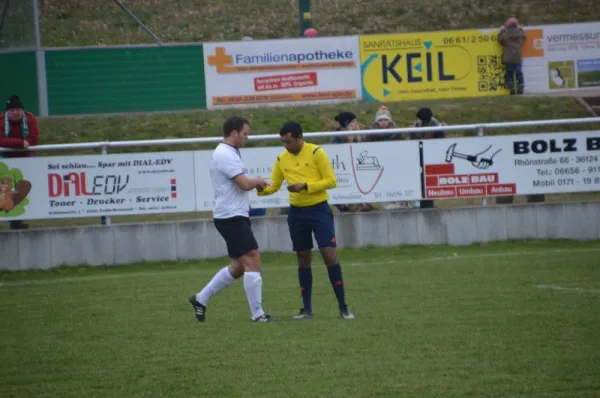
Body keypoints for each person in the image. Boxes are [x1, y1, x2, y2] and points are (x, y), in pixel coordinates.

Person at [258, 121, 355, 320]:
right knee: (303, 259)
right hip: (297, 214)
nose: (286, 145)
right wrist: (261, 189)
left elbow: (331, 181)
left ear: (299, 138)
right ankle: (307, 309)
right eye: (283, 142)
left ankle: (343, 307)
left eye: (289, 141)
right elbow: (274, 185)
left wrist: (306, 186)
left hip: (319, 210)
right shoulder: (281, 159)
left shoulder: (316, 153)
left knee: (329, 255)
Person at [189, 116, 272, 323]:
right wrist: (259, 181)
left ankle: (201, 298)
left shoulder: (230, 152)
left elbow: (239, 186)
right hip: (230, 216)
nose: (247, 137)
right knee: (253, 258)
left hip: (234, 214)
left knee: (238, 267)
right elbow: (243, 184)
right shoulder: (225, 154)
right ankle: (258, 314)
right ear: (233, 133)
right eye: (245, 133)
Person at [0, 95, 39, 230]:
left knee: (21, 191)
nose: (15, 112)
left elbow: (33, 138)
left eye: (18, 109)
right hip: (5, 161)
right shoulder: (0, 121)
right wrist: (21, 143)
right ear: (7, 112)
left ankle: (17, 221)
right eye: (12, 110)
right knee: (5, 191)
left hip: (26, 160)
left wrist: (11, 143)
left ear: (22, 110)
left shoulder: (30, 119)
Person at [329, 111, 374, 212]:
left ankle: (359, 202)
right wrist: (349, 141)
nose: (356, 124)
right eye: (353, 122)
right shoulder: (337, 137)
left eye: (355, 121)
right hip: (341, 170)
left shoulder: (358, 135)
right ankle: (346, 205)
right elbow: (336, 155)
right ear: (346, 124)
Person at [367, 106, 409, 210]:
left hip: (395, 162)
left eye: (385, 120)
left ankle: (402, 202)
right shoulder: (370, 134)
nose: (383, 122)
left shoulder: (397, 133)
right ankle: (386, 202)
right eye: (381, 120)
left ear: (389, 121)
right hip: (379, 164)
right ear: (377, 121)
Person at [410, 107, 447, 209]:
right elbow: (412, 140)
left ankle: (428, 203)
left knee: (429, 182)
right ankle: (420, 202)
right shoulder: (416, 126)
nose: (419, 121)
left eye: (421, 120)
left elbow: (441, 143)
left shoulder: (437, 127)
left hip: (432, 158)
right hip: (418, 157)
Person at [499, 17, 526, 95]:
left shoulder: (505, 34)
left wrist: (502, 31)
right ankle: (520, 88)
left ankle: (511, 89)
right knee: (519, 73)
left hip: (509, 58)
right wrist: (521, 29)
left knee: (509, 74)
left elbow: (500, 39)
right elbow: (524, 37)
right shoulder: (520, 34)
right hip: (517, 57)